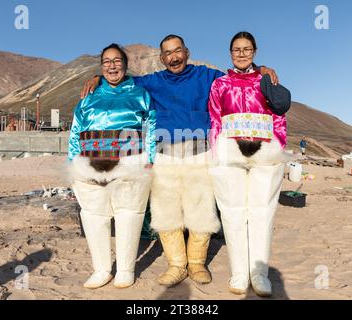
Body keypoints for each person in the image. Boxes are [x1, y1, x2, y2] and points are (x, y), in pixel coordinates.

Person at [80, 35, 279, 287]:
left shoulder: (207, 76)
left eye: (177, 51)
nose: (173, 57)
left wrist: (260, 69)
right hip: (165, 155)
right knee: (166, 213)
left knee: (202, 211)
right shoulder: (152, 82)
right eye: (167, 53)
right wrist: (98, 78)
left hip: (200, 154)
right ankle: (176, 264)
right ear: (162, 58)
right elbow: (120, 79)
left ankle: (196, 263)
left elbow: (237, 74)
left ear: (186, 52)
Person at [207, 31, 291, 297]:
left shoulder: (266, 80)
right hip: (230, 153)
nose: (242, 54)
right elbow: (215, 119)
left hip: (264, 154)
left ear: (254, 51)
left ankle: (259, 273)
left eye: (246, 49)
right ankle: (239, 273)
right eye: (236, 49)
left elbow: (279, 116)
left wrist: (276, 146)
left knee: (261, 212)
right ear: (230, 53)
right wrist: (217, 151)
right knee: (232, 213)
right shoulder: (220, 84)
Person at [68, 43, 156, 289]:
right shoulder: (88, 96)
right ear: (100, 66)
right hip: (91, 161)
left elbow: (151, 127)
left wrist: (149, 159)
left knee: (128, 214)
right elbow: (76, 130)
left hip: (130, 160)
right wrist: (73, 162)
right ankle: (102, 269)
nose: (112, 66)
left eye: (117, 61)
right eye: (106, 61)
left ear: (125, 65)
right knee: (95, 215)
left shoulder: (140, 94)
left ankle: (126, 269)